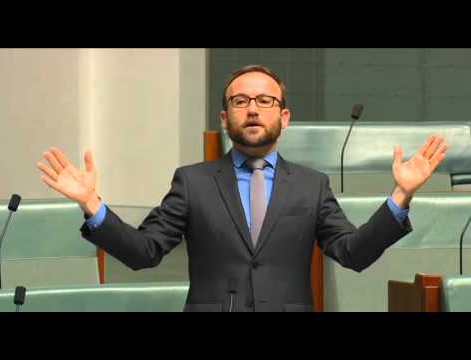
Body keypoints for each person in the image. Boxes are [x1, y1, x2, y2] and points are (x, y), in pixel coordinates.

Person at [37, 64, 449, 312]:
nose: (252, 108)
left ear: (284, 117)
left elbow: (353, 253)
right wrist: (92, 204)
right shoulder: (192, 181)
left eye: (265, 101)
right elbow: (144, 253)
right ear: (225, 116)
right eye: (240, 100)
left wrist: (401, 196)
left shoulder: (312, 185)